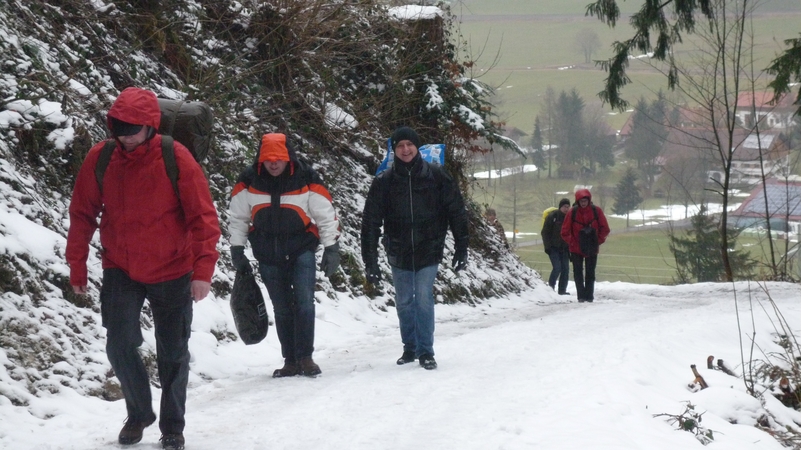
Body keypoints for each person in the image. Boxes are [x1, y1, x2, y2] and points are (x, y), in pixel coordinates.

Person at [66, 87, 221, 450]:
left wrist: (202, 271)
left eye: (131, 129)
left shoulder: (175, 157)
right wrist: (78, 265)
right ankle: (138, 413)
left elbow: (203, 217)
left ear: (151, 126)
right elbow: (82, 212)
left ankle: (172, 427)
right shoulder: (101, 158)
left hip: (173, 268)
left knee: (172, 352)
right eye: (118, 128)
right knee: (119, 344)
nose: (124, 136)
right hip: (120, 267)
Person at [228, 133, 340, 378]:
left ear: (288, 157)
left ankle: (306, 357)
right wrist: (237, 248)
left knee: (303, 303)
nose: (274, 164)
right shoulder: (248, 181)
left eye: (279, 159)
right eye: (269, 160)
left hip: (302, 249)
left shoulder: (306, 177)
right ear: (261, 160)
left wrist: (331, 247)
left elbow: (324, 213)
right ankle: (290, 360)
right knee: (281, 308)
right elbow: (238, 217)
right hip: (268, 253)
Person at [361, 126, 469, 370]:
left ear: (417, 147)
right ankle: (409, 347)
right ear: (394, 150)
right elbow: (371, 222)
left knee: (422, 298)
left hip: (428, 248)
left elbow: (457, 212)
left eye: (409, 145)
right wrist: (371, 261)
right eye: (400, 146)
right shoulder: (384, 182)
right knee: (403, 302)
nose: (405, 149)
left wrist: (462, 246)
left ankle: (426, 351)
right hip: (398, 249)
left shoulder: (437, 176)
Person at [560, 189, 610, 303]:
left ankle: (589, 296)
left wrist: (598, 240)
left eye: (585, 200)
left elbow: (605, 228)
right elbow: (564, 231)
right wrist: (572, 242)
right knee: (578, 273)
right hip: (576, 248)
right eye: (581, 201)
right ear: (578, 201)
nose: (583, 203)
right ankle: (581, 296)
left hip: (592, 247)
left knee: (590, 272)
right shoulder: (572, 212)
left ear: (589, 200)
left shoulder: (596, 211)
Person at [541, 198, 571, 295]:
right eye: (564, 207)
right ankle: (550, 288)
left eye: (568, 207)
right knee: (557, 268)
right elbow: (545, 232)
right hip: (553, 248)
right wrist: (547, 247)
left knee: (565, 269)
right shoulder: (552, 217)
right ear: (560, 207)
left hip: (565, 248)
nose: (566, 209)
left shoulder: (569, 218)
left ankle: (562, 290)